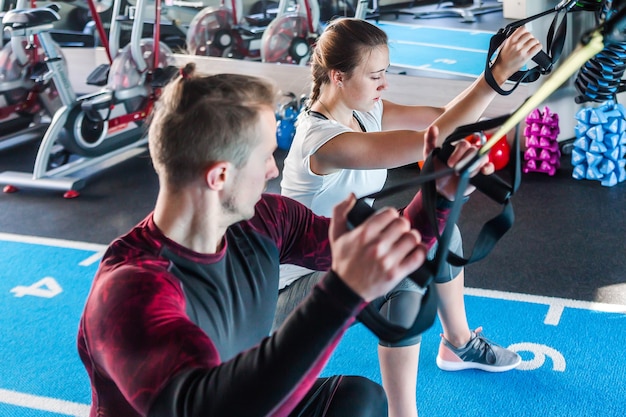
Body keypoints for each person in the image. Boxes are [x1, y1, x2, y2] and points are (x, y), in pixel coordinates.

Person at [76, 63, 493, 417]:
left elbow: (394, 249)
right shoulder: (130, 291)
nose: (273, 171)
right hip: (224, 405)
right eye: (265, 157)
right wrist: (339, 296)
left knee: (358, 401)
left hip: (249, 392)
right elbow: (209, 408)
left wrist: (443, 192)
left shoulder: (267, 220)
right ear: (220, 176)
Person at [278, 18, 543, 417]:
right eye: (375, 76)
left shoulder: (365, 111)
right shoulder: (324, 143)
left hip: (343, 257)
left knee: (441, 234)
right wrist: (496, 74)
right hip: (290, 298)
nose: (384, 85)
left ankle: (459, 344)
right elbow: (430, 139)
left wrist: (499, 78)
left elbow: (444, 117)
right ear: (337, 76)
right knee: (405, 269)